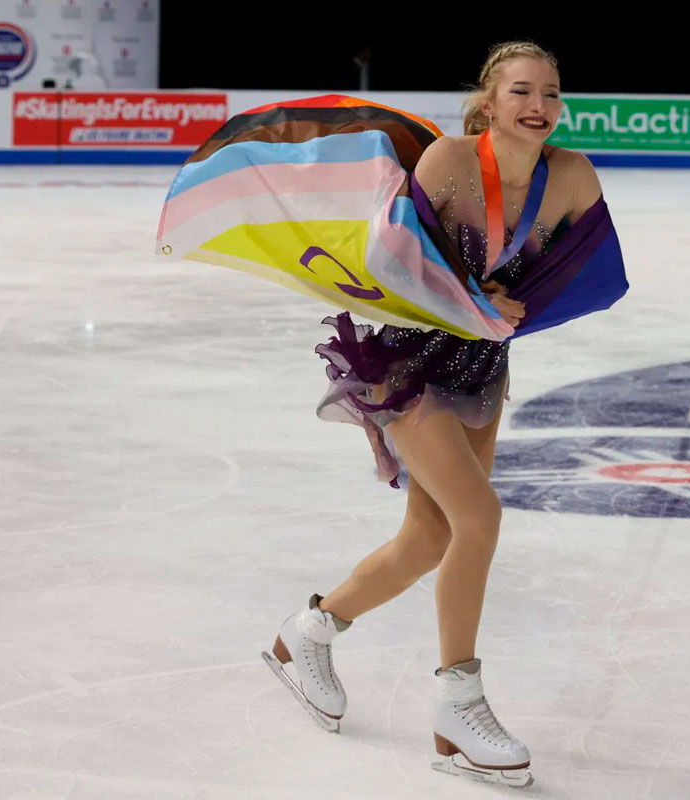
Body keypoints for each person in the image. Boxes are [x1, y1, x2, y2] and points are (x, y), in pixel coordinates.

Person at [265, 41, 611, 789]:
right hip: (405, 360)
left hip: (480, 365)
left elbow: (587, 272)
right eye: (522, 90)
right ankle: (459, 702)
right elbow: (391, 263)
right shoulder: (451, 160)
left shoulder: (573, 176)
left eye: (552, 93)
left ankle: (308, 634)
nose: (540, 107)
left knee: (430, 537)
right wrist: (478, 303)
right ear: (490, 100)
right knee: (479, 519)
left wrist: (509, 318)